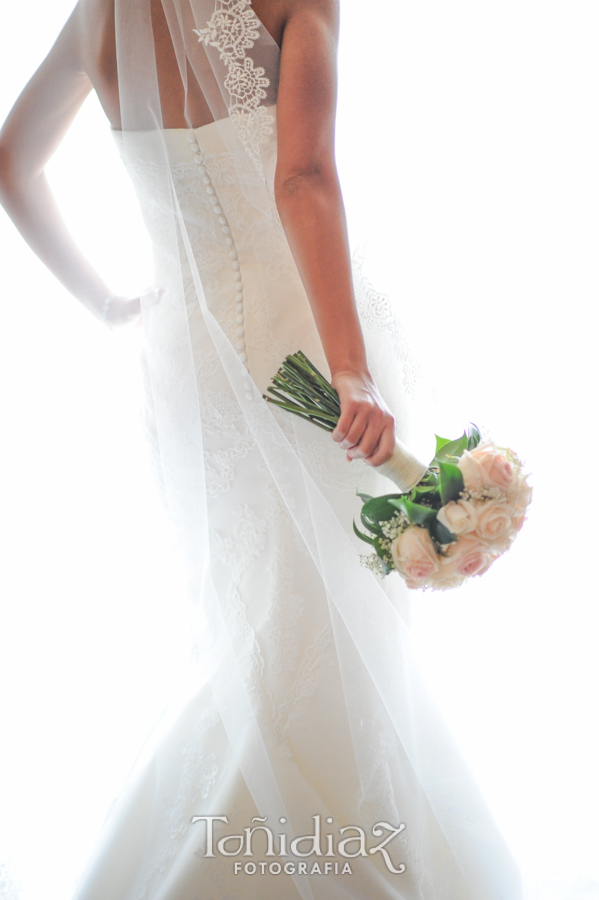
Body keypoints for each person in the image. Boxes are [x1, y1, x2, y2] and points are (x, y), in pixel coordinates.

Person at [0, 0, 523, 897]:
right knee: (322, 632)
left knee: (256, 629)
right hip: (303, 355)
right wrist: (352, 373)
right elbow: (302, 178)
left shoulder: (100, 14)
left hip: (188, 366)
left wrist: (107, 304)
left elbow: (11, 163)